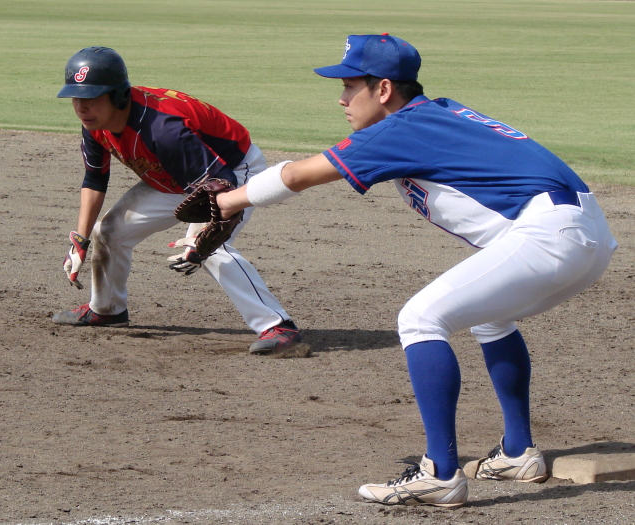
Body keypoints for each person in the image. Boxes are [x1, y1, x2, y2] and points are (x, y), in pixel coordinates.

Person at [215, 34, 618, 507]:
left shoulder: (402, 127)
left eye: (350, 85)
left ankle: (439, 475)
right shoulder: (437, 114)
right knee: (491, 319)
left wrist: (226, 202)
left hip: (551, 234)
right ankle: (518, 453)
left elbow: (297, 175)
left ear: (384, 89)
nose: (342, 98)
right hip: (583, 234)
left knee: (420, 319)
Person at [52, 46, 305, 356]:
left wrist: (204, 236)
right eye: (76, 98)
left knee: (209, 245)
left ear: (118, 96)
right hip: (175, 173)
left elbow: (221, 184)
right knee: (108, 232)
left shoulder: (163, 129)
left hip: (229, 170)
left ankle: (278, 325)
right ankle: (106, 309)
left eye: (91, 97)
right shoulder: (95, 124)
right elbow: (95, 179)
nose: (81, 107)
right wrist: (80, 239)